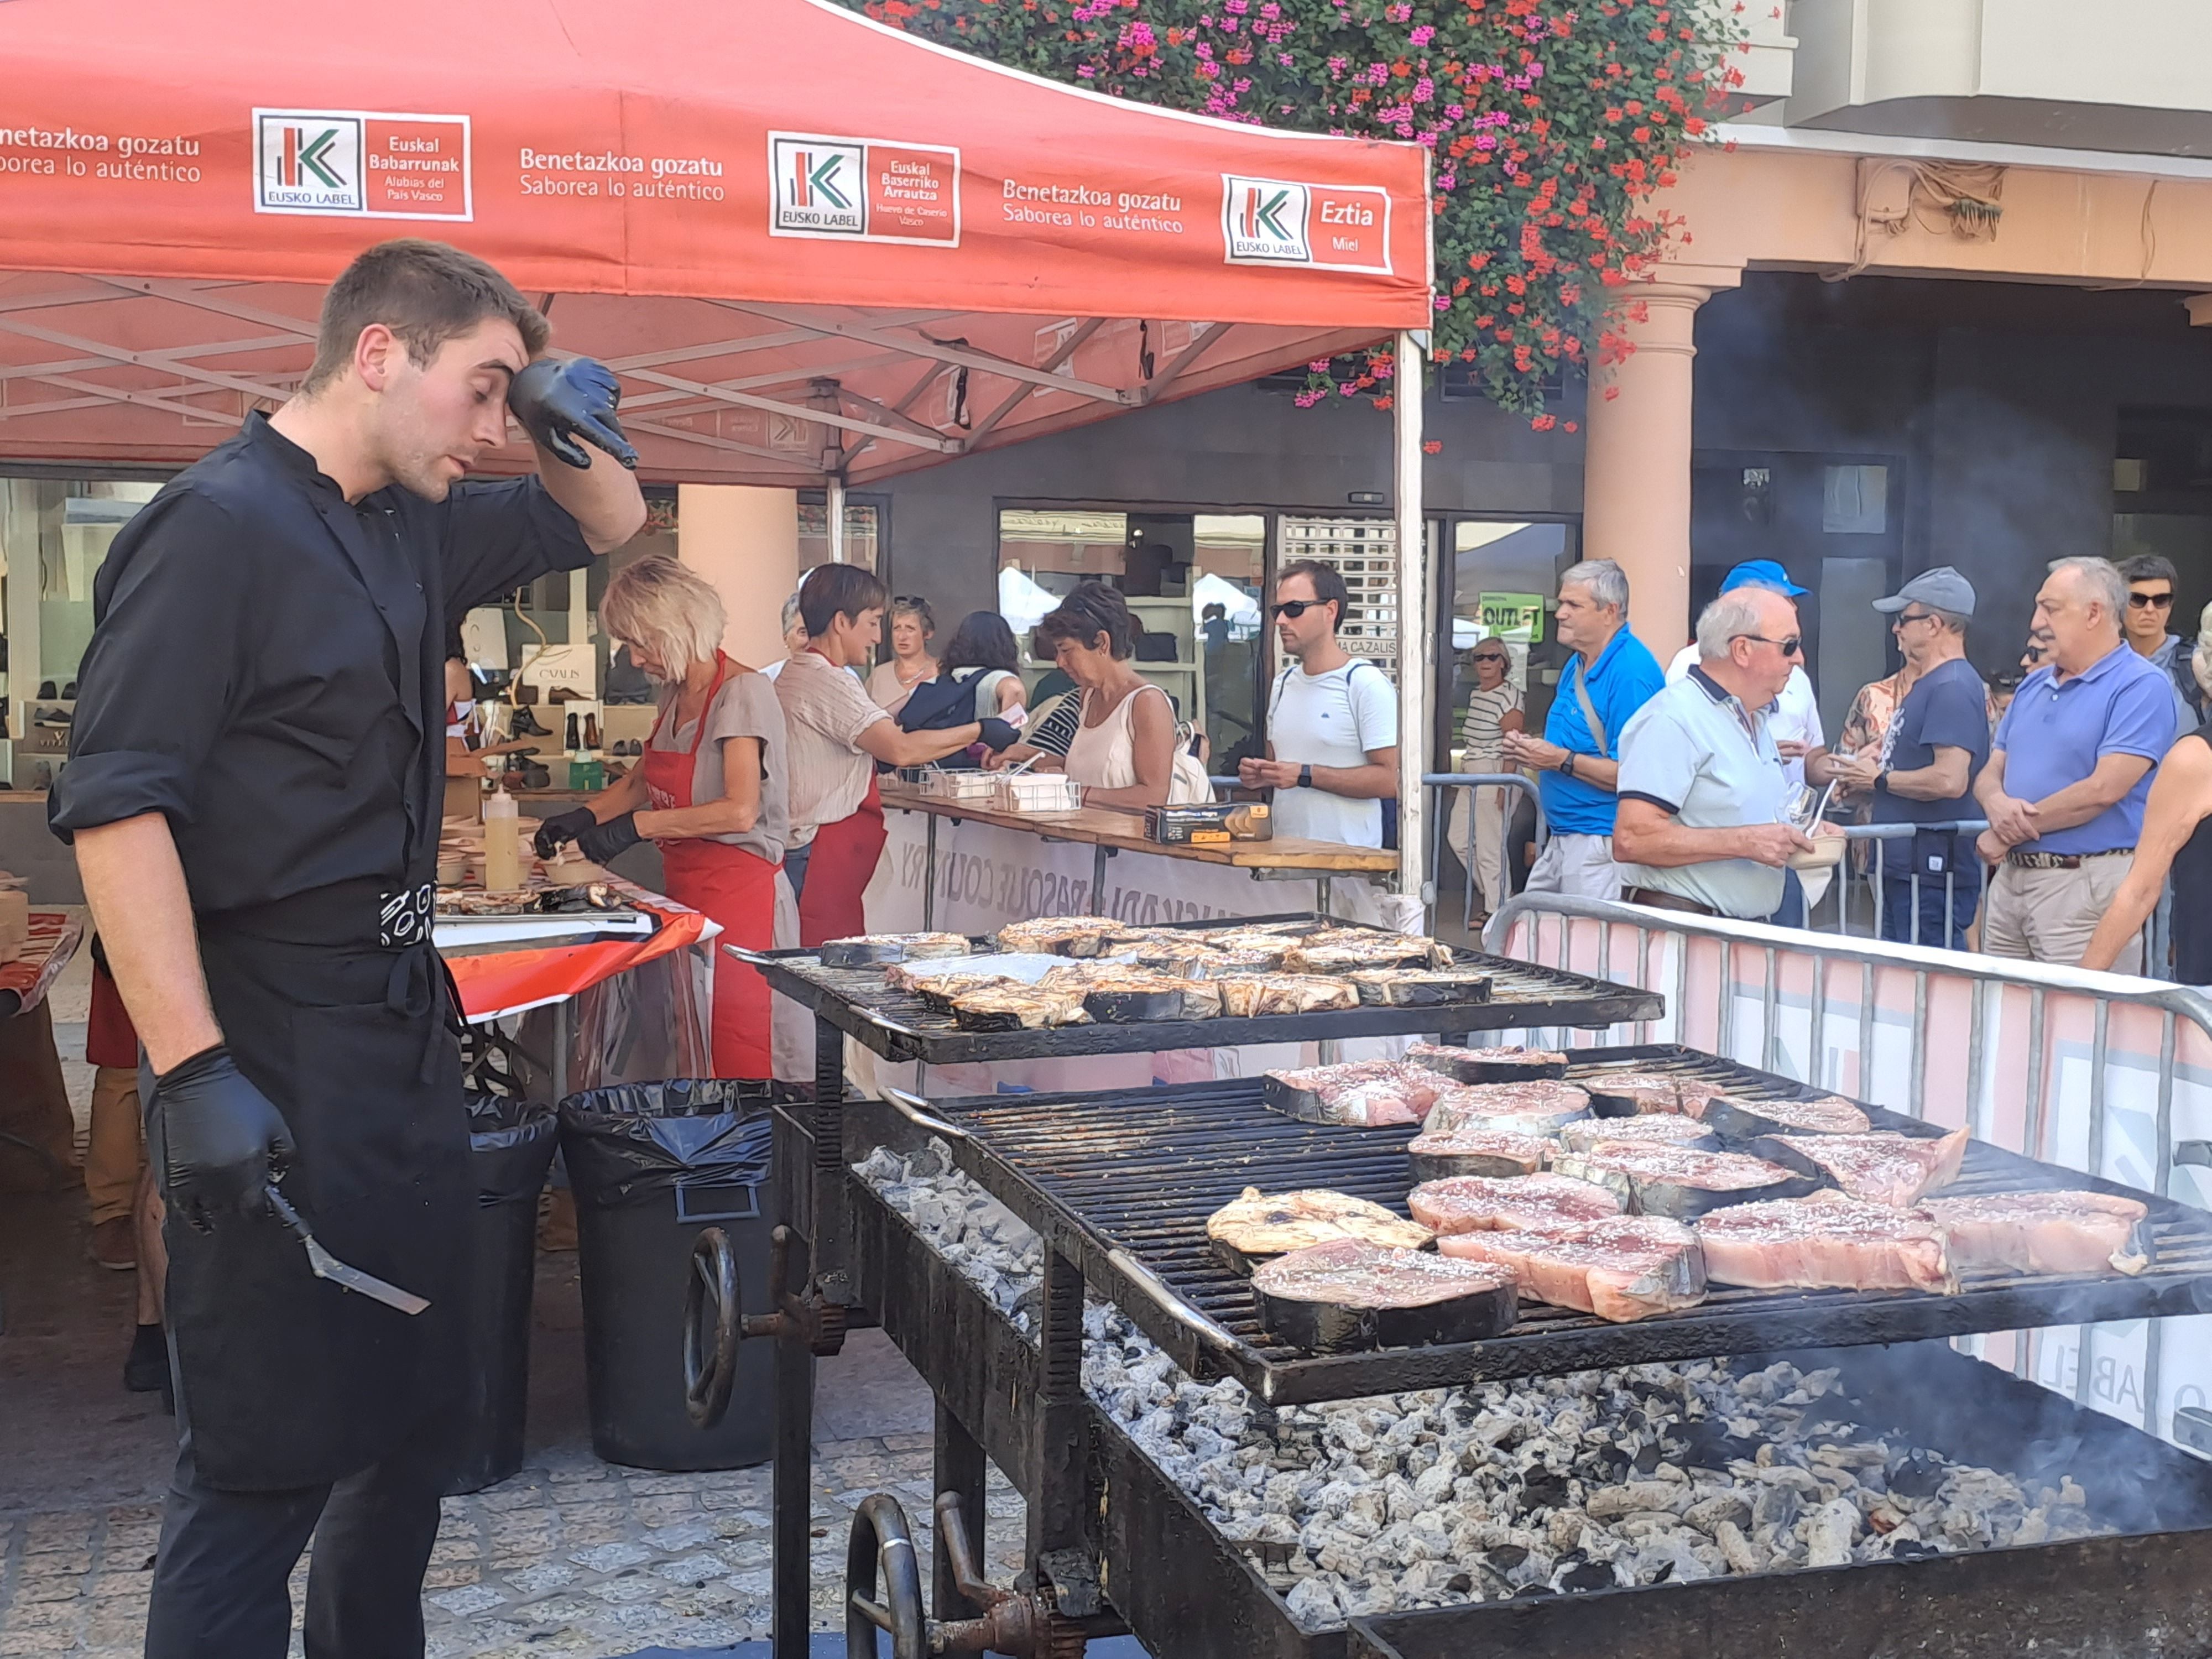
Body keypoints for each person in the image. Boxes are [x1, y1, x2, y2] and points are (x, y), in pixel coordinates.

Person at [49, 238, 648, 1658]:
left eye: (517, 402)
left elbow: (607, 518)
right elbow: (118, 804)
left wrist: (567, 417)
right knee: (260, 1462)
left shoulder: (413, 514)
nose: (496, 429)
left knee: (413, 1435)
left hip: (393, 1031)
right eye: (482, 389)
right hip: (263, 1032)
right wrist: (190, 1072)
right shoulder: (217, 526)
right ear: (380, 354)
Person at [535, 557, 789, 1077]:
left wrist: (634, 829)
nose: (635, 659)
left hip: (742, 896)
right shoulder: (676, 695)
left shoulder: (741, 692)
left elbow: (740, 810)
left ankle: (748, 1154)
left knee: (735, 1042)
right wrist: (582, 818)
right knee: (687, 1035)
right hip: (689, 888)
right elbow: (638, 781)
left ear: (674, 628)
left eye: (640, 643)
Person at [778, 564, 1014, 941]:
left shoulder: (800, 669)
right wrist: (981, 729)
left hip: (810, 843)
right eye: (873, 622)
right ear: (842, 621)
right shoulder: (829, 678)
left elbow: (877, 733)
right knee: (822, 958)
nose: (877, 636)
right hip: (817, 846)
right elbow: (900, 749)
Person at [1974, 556, 2178, 971]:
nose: (2036, 621)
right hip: (2012, 882)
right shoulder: (2034, 683)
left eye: (2051, 608)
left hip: (2084, 886)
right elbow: (1990, 770)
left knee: (2080, 1028)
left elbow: (2104, 789)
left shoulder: (2141, 686)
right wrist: (1996, 805)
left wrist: (2008, 832)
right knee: (2000, 1021)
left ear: (2094, 613)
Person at [1613, 588, 1814, 919]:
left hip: (1733, 936)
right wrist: (1745, 843)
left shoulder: (1754, 716)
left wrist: (1804, 835)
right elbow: (1632, 839)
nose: (1799, 658)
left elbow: (1738, 816)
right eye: (1789, 646)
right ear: (1743, 650)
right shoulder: (1672, 718)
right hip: (1683, 936)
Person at [1825, 568, 1989, 949]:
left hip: (1930, 873)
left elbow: (1950, 780)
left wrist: (1878, 779)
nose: (1896, 629)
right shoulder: (1937, 684)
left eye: (1903, 619)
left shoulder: (1950, 686)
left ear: (1933, 625)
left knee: (1931, 991)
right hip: (1911, 871)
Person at [1500, 559, 1665, 900]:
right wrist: (1534, 751)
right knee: (1520, 938)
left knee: (1581, 950)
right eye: (1562, 603)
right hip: (1566, 840)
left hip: (1600, 848)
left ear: (1610, 611)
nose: (1560, 613)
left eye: (1573, 605)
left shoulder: (1631, 673)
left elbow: (1636, 775)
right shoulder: (1577, 664)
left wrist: (1560, 759)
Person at [2083, 601, 2212, 977]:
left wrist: (2075, 985)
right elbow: (2140, 890)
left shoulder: (2195, 759)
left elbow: (2139, 890)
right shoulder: (2196, 759)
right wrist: (2079, 983)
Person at [1237, 560, 1398, 847]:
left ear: (1330, 611)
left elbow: (1392, 780)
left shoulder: (1365, 683)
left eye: (1294, 609)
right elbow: (1282, 765)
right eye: (1277, 610)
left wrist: (1306, 775)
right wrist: (1262, 774)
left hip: (1347, 864)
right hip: (1284, 857)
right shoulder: (1283, 683)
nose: (1282, 621)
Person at [995, 583, 1180, 812]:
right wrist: (1027, 755)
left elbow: (1154, 796)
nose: (1060, 662)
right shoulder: (1088, 696)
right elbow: (1096, 772)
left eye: (1066, 650)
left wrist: (1074, 793)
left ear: (1102, 642)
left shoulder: (1147, 703)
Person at [1666, 561, 1823, 791]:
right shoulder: (1689, 665)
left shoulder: (1795, 676)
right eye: (1781, 599)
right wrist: (1757, 753)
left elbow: (1814, 753)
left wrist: (1846, 766)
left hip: (1785, 817)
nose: (1793, 607)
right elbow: (1682, 756)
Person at [1443, 635, 1524, 916]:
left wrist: (1505, 784)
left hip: (1495, 772)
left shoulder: (1510, 696)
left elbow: (1513, 744)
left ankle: (1496, 910)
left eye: (1493, 657)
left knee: (1490, 847)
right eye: (1479, 658)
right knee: (1459, 839)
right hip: (1472, 773)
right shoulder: (1477, 694)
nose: (1486, 663)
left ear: (1504, 663)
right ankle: (1499, 895)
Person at [900, 611, 1027, 766]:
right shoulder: (999, 678)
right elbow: (1015, 690)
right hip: (981, 777)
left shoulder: (939, 682)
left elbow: (889, 714)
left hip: (933, 775)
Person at [2119, 553, 2203, 732]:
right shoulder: (2103, 664)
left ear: (2170, 606)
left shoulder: (2196, 663)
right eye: (2138, 599)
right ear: (2119, 603)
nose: (2150, 610)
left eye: (2160, 600)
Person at [865, 594, 938, 715]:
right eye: (897, 628)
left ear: (928, 633)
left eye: (910, 629)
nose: (902, 636)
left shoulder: (943, 672)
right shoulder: (879, 675)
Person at [759, 594, 807, 684]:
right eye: (803, 633)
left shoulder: (838, 680)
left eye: (817, 633)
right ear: (786, 638)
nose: (811, 641)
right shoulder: (766, 681)